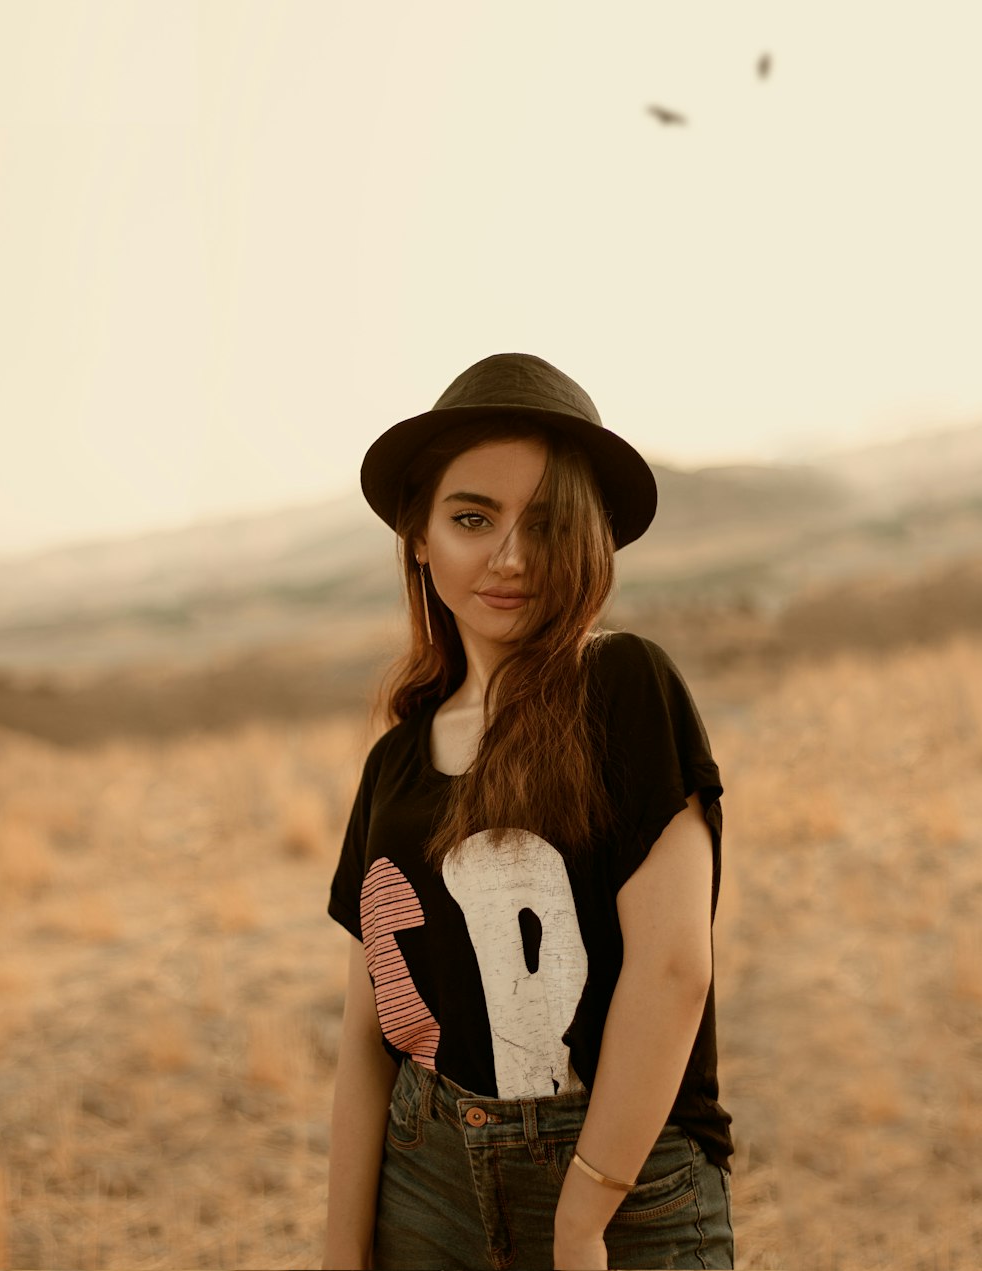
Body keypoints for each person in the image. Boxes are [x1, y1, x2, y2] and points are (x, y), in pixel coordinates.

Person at [323, 353, 734, 1271]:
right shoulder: (395, 761)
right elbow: (367, 1030)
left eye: (545, 524)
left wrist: (583, 1211)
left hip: (621, 1175)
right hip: (421, 1175)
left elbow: (673, 972)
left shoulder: (624, 684)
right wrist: (342, 1253)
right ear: (420, 538)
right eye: (473, 518)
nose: (511, 556)